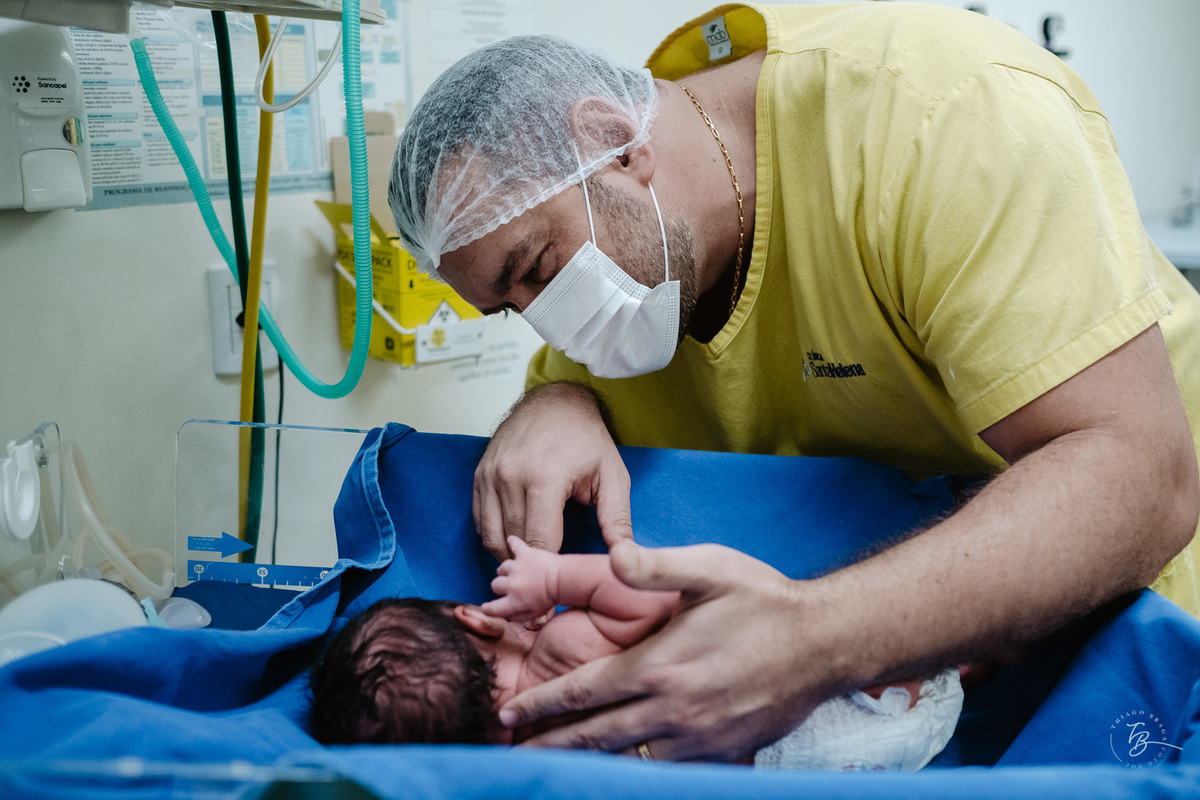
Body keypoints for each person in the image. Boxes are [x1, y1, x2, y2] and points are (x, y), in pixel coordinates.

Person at [387, 2, 1200, 763]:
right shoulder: (628, 282)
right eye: (509, 308)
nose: (548, 322)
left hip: (1136, 613)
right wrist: (551, 402)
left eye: (535, 269)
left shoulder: (933, 115)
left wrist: (812, 643)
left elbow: (1140, 478)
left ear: (616, 139)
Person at [309, 537, 964, 771]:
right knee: (933, 669)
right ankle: (976, 661)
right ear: (477, 620)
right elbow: (646, 598)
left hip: (809, 762)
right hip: (815, 715)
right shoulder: (562, 645)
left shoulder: (530, 753)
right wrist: (557, 578)